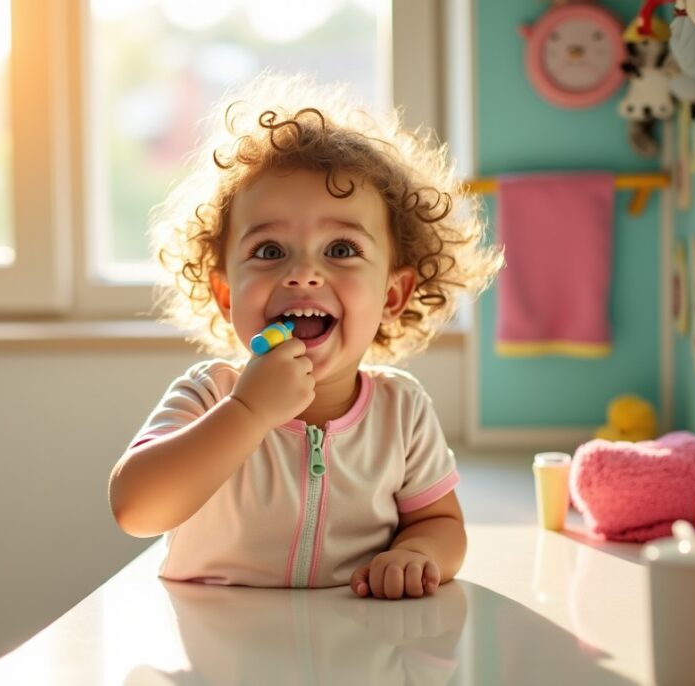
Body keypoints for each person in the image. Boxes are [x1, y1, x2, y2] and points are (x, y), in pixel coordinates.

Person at [108, 72, 503, 599]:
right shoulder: (210, 395)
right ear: (227, 295)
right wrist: (246, 413)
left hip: (356, 645)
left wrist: (416, 553)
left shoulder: (401, 412)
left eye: (341, 249)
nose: (303, 274)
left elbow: (442, 525)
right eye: (270, 251)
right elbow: (137, 508)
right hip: (219, 655)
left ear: (392, 295)